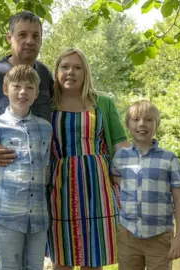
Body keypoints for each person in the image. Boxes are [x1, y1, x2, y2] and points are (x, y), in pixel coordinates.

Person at [0, 11, 53, 269]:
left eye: (35, 36)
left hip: (34, 200)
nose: (29, 41)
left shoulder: (44, 74)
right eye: (22, 35)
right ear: (10, 38)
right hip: (0, 195)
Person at [47, 48, 130, 270]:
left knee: (93, 257)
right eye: (64, 67)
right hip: (61, 187)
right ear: (56, 72)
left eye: (77, 67)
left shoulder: (103, 103)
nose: (70, 72)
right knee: (62, 257)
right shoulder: (47, 105)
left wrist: (132, 182)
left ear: (86, 73)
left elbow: (121, 146)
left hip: (99, 187)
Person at [0, 65, 52, 269]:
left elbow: (45, 171)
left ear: (36, 92)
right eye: (16, 86)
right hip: (6, 215)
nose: (22, 92)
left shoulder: (46, 128)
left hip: (38, 216)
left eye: (29, 87)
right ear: (5, 89)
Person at [112, 100, 180, 270]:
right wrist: (126, 186)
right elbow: (114, 176)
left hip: (160, 235)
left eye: (148, 120)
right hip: (128, 234)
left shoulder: (169, 159)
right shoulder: (121, 157)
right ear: (128, 124)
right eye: (136, 119)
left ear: (156, 124)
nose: (142, 124)